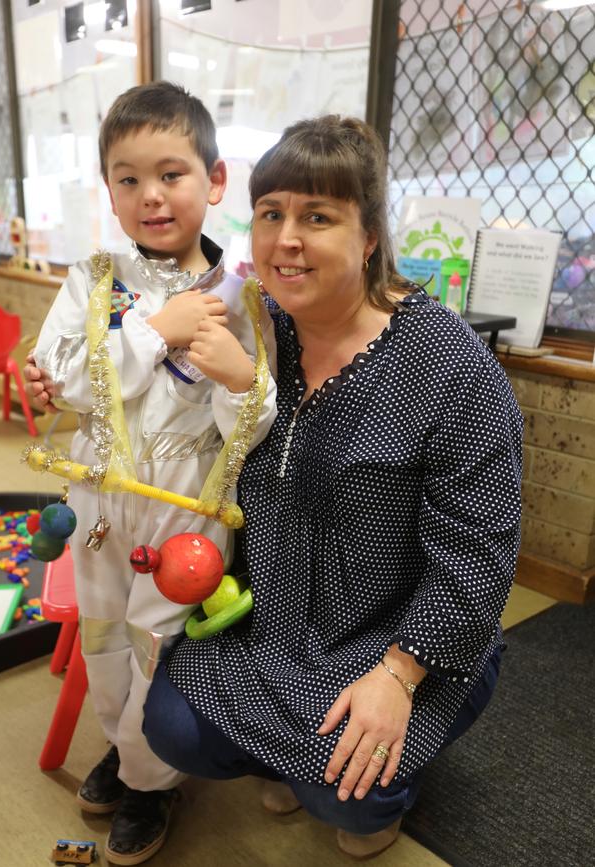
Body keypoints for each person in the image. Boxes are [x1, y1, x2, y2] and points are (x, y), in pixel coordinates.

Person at [141, 115, 523, 860]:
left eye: (318, 217)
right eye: (271, 214)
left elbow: (478, 558)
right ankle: (284, 753)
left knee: (346, 794)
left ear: (371, 235)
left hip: (396, 633)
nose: (287, 238)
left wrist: (399, 674)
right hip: (273, 621)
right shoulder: (257, 333)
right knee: (172, 726)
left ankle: (373, 786)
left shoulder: (453, 371)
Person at [27, 81, 277, 866]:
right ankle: (123, 749)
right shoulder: (93, 277)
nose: (150, 196)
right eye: (127, 179)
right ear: (108, 188)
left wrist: (242, 379)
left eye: (171, 173)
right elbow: (61, 377)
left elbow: (252, 426)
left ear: (214, 181)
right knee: (104, 641)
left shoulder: (243, 297)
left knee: (156, 648)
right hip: (99, 496)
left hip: (185, 510)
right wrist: (152, 331)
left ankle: (148, 779)